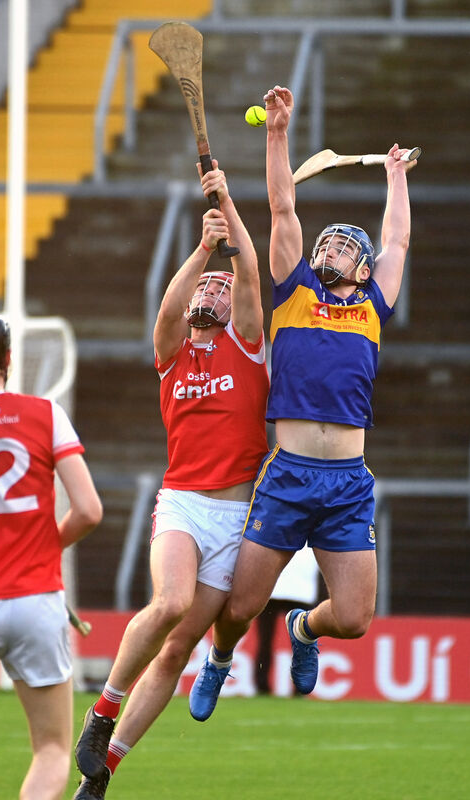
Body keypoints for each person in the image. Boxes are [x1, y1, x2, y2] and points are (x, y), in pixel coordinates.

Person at [189, 84, 416, 721]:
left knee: (354, 618)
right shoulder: (293, 292)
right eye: (329, 242)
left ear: (363, 269)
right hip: (287, 473)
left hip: (347, 481)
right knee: (237, 607)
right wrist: (277, 131)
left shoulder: (372, 307)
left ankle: (304, 632)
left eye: (345, 244)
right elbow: (283, 208)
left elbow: (396, 243)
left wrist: (395, 177)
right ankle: (220, 660)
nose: (330, 247)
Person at [72, 162, 269, 799]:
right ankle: (101, 713)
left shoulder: (247, 342)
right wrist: (203, 246)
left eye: (217, 287)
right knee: (170, 605)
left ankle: (104, 775)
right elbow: (164, 311)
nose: (209, 294)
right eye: (200, 292)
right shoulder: (172, 355)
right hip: (183, 504)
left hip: (236, 517)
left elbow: (250, 273)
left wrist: (228, 213)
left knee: (178, 648)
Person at [0, 310, 103, 800]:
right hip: (37, 600)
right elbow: (88, 511)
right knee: (51, 750)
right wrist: (37, 543)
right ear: (10, 359)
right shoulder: (46, 413)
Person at [254, 545, 319, 695]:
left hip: (278, 588)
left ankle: (262, 685)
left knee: (265, 641)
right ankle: (299, 688)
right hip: (297, 590)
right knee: (301, 643)